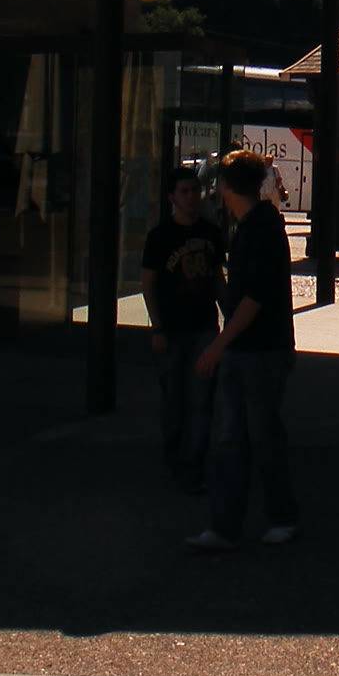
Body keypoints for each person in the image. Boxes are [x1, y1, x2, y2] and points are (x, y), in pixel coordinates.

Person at [185, 148, 298, 550]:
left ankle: (264, 519)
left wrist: (218, 343)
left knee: (252, 437)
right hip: (255, 347)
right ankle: (233, 524)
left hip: (260, 348)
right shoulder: (259, 224)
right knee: (241, 436)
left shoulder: (258, 229)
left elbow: (253, 298)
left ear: (225, 186)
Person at [139, 167, 224, 494]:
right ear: (172, 197)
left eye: (194, 190)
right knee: (174, 400)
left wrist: (229, 316)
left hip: (204, 327)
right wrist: (157, 327)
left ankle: (192, 465)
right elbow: (149, 283)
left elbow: (216, 278)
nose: (191, 197)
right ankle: (176, 457)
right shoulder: (160, 237)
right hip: (172, 329)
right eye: (184, 191)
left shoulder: (211, 233)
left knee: (201, 400)